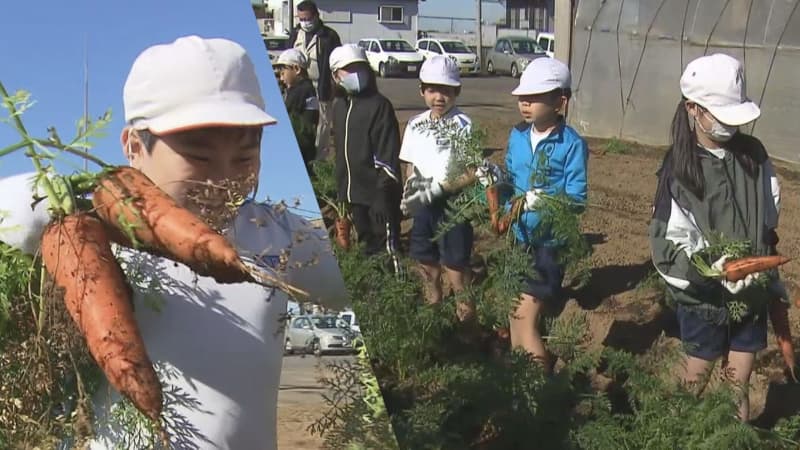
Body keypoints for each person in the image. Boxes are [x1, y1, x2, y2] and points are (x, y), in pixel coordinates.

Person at [0, 35, 347, 449]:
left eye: (244, 156)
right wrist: (24, 206)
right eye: (199, 157)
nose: (224, 178)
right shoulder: (76, 236)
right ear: (133, 147)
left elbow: (354, 290)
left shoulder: (279, 232)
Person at [649, 53, 785, 421]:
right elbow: (666, 246)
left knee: (737, 385)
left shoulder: (753, 155)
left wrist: (766, 272)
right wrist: (713, 269)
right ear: (693, 109)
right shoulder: (679, 168)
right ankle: (678, 438)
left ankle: (734, 440)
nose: (730, 126)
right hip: (704, 301)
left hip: (750, 294)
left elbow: (769, 216)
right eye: (721, 115)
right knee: (696, 378)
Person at [501, 57, 588, 370]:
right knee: (513, 314)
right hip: (518, 238)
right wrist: (499, 202)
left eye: (535, 97)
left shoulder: (571, 144)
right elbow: (509, 178)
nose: (525, 103)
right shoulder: (517, 135)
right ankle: (517, 376)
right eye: (522, 97)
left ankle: (539, 386)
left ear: (559, 101)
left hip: (548, 244)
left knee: (525, 317)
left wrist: (546, 201)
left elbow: (577, 199)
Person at [398, 56, 477, 323]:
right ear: (422, 91)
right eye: (432, 90)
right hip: (423, 205)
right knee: (426, 266)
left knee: (456, 270)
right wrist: (411, 190)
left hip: (453, 207)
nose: (438, 97)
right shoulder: (415, 124)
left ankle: (467, 328)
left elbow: (472, 171)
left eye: (445, 90)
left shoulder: (464, 125)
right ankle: (434, 321)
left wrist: (441, 188)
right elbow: (410, 165)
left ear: (457, 91)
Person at [328, 44, 402, 273]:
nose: (356, 75)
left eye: (360, 68)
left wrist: (382, 194)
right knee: (368, 247)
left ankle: (400, 299)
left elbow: (387, 154)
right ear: (335, 75)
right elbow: (341, 151)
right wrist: (342, 192)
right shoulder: (339, 107)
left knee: (387, 251)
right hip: (354, 194)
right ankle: (376, 298)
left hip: (379, 195)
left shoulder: (379, 106)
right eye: (348, 70)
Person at [288, 0, 342, 160]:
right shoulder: (295, 34)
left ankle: (319, 162)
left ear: (316, 16)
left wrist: (334, 87)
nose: (305, 22)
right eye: (301, 19)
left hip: (321, 88)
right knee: (301, 124)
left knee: (321, 127)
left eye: (308, 18)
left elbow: (336, 62)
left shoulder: (329, 36)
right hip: (299, 90)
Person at [275, 48, 319, 178]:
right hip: (306, 143)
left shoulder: (300, 91)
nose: (281, 78)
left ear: (297, 69)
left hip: (301, 143)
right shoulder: (306, 88)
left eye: (283, 73)